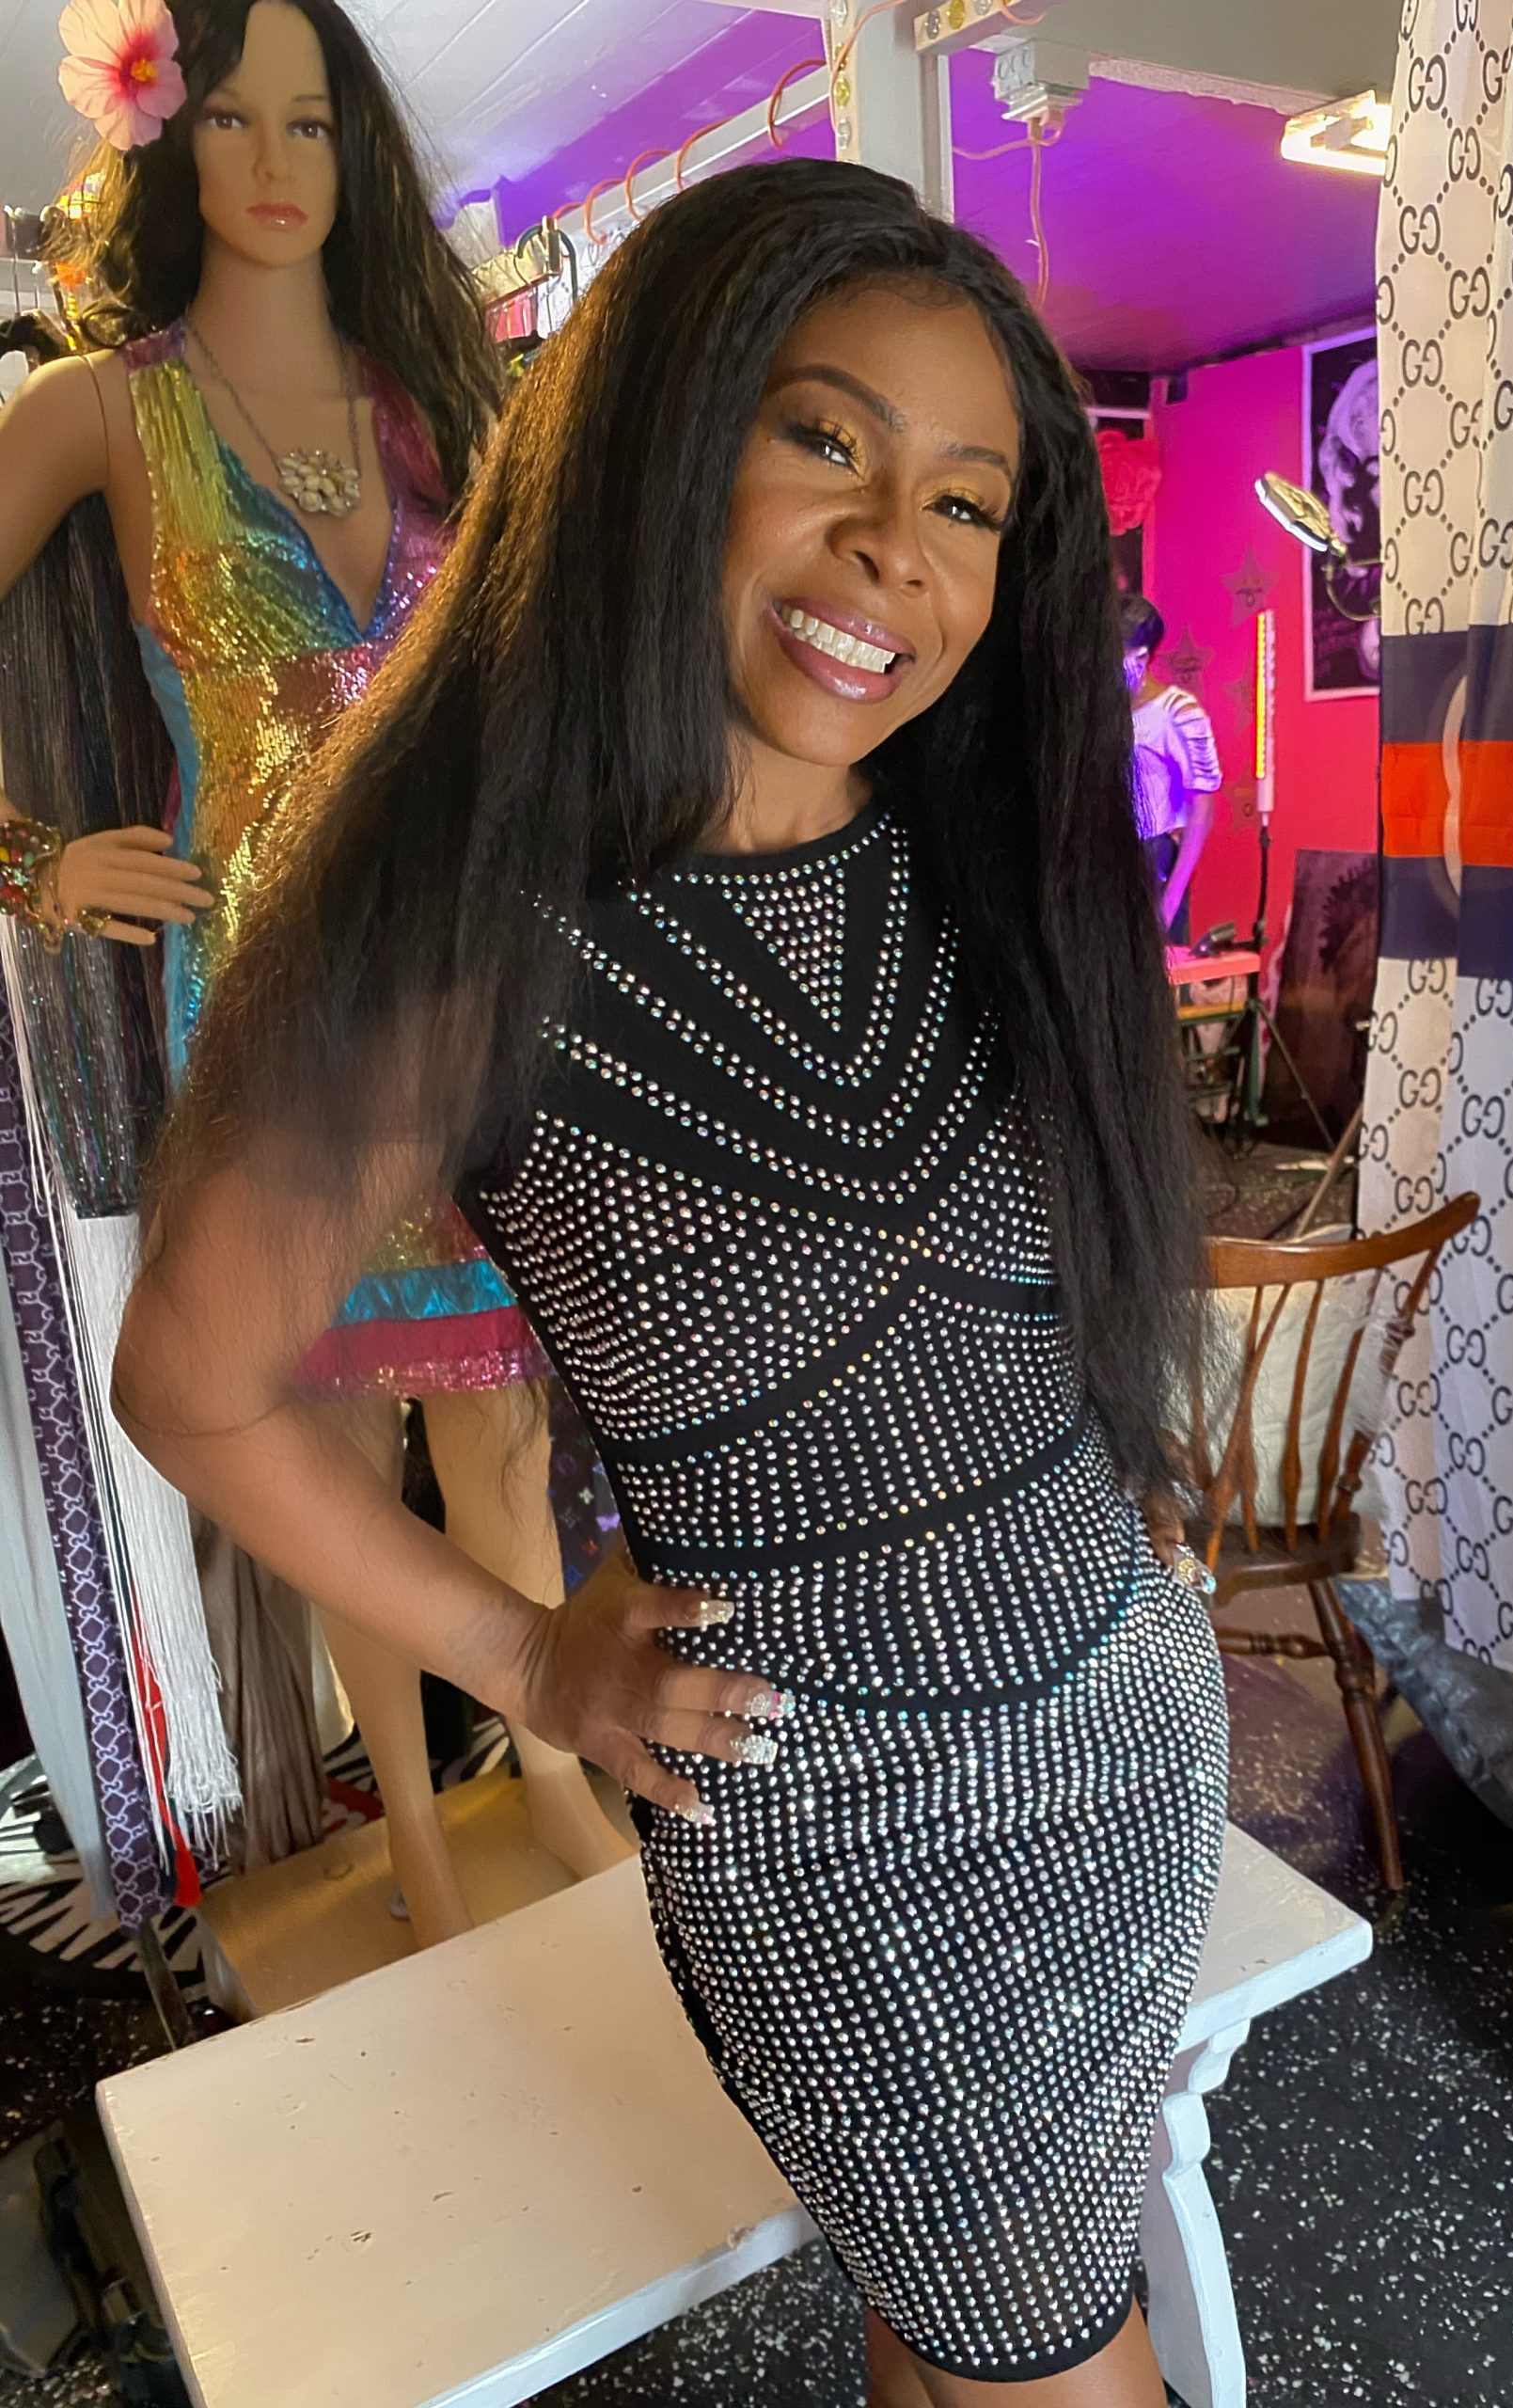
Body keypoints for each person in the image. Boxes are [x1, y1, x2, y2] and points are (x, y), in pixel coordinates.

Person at [116, 160, 1229, 2407]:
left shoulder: (979, 853)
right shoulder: (462, 943)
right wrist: (530, 1651)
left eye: (967, 501)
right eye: (823, 439)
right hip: (848, 1839)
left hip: (1133, 1736)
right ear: (657, 437)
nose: (896, 548)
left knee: (965, 2326)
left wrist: (1117, 1488)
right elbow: (192, 1379)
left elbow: (1031, 1296)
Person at [0, 0, 618, 1925]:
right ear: (165, 143)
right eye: (232, 120)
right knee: (338, 1439)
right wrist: (31, 865)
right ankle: (415, 1839)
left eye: (312, 123)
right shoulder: (102, 411)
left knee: (501, 1417)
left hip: (467, 984)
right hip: (270, 1012)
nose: (274, 163)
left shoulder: (436, 398)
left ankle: (550, 1777)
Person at [1120, 591, 1221, 943]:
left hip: (1154, 858)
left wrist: (1171, 899)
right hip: (1105, 858)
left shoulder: (1177, 711)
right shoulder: (1103, 715)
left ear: (1142, 656)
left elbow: (1202, 808)